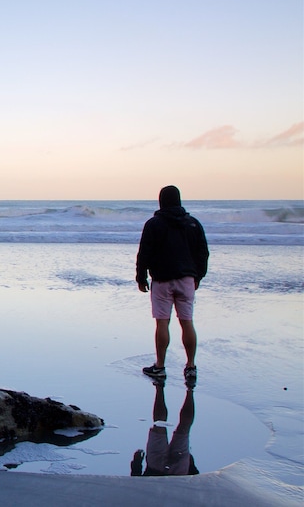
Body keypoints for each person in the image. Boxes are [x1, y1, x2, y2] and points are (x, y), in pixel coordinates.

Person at [135, 185, 209, 384]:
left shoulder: (154, 224)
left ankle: (160, 366)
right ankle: (191, 366)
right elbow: (202, 253)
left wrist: (141, 277)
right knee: (187, 322)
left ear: (161, 201)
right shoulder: (192, 223)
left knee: (162, 322)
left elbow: (144, 253)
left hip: (162, 279)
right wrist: (198, 276)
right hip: (186, 279)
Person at [130, 383, 198, 476]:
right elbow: (136, 484)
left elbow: (195, 481)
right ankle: (159, 385)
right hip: (155, 467)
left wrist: (191, 465)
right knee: (159, 425)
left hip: (179, 472)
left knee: (184, 428)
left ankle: (190, 389)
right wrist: (136, 462)